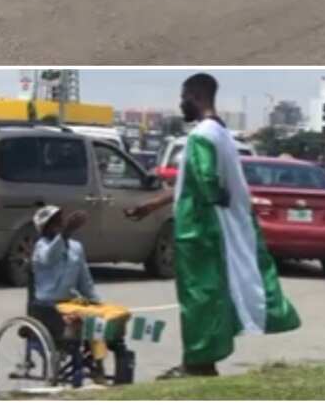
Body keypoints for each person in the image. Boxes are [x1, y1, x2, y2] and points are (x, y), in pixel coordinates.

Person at [125, 74, 300, 379]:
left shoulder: (200, 137)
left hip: (199, 231)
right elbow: (191, 182)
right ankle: (200, 359)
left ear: (195, 96)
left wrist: (210, 201)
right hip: (213, 229)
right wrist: (152, 204)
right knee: (211, 295)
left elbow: (206, 182)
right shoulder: (222, 134)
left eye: (183, 98)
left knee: (197, 297)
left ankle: (197, 363)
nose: (180, 104)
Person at [28, 206, 131, 382]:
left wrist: (96, 301)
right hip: (49, 304)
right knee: (92, 319)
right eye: (54, 222)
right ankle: (98, 365)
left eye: (60, 220)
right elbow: (49, 258)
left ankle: (105, 358)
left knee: (113, 314)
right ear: (44, 228)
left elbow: (84, 279)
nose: (58, 224)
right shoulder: (41, 247)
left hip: (71, 301)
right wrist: (65, 234)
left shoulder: (76, 248)